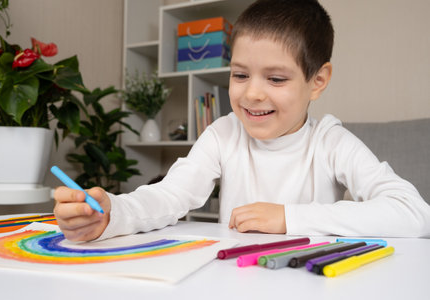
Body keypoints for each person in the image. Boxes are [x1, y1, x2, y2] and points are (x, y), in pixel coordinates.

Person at [54, 0, 430, 242]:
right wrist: (113, 213)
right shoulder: (223, 133)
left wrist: (288, 217)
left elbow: (414, 214)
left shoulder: (330, 142)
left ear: (318, 81)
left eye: (277, 78)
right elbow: (170, 195)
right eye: (239, 75)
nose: (252, 94)